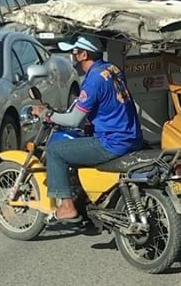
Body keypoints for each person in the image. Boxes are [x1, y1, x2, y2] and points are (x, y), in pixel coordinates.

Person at [32, 34, 143, 223]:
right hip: (131, 135)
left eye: (74, 52)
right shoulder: (112, 69)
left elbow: (75, 119)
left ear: (84, 55)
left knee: (55, 150)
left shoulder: (92, 81)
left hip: (112, 142)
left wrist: (46, 114)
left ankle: (67, 206)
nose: (72, 57)